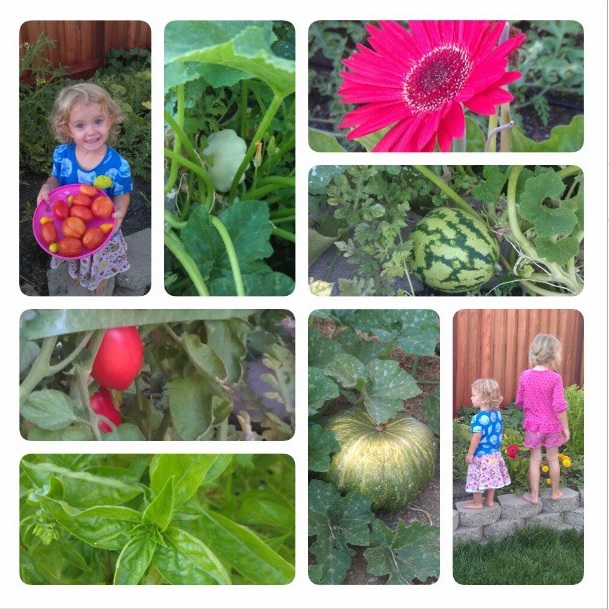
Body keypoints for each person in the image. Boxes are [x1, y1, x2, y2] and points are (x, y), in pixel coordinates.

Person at [36, 83, 132, 295]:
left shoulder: (117, 165)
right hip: (68, 221)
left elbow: (122, 193)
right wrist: (47, 186)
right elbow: (55, 178)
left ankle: (98, 278)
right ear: (66, 129)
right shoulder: (62, 154)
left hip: (101, 226)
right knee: (73, 250)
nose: (91, 131)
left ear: (110, 120)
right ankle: (79, 272)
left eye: (98, 121)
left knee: (100, 260)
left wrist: (121, 211)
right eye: (80, 126)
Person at [515, 334, 570, 504]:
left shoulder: (525, 375)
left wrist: (531, 408)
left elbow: (520, 401)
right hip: (552, 426)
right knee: (553, 458)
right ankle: (555, 492)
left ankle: (534, 496)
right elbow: (559, 406)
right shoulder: (555, 378)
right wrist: (565, 428)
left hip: (533, 426)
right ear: (554, 355)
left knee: (535, 459)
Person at [464, 378, 511, 509]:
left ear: (484, 399)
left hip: (480, 455)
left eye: (474, 395)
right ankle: (490, 501)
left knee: (477, 478)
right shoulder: (497, 413)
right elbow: (499, 398)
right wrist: (494, 396)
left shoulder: (477, 419)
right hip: (494, 454)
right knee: (492, 478)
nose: (471, 398)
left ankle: (477, 503)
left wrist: (469, 454)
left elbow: (476, 437)